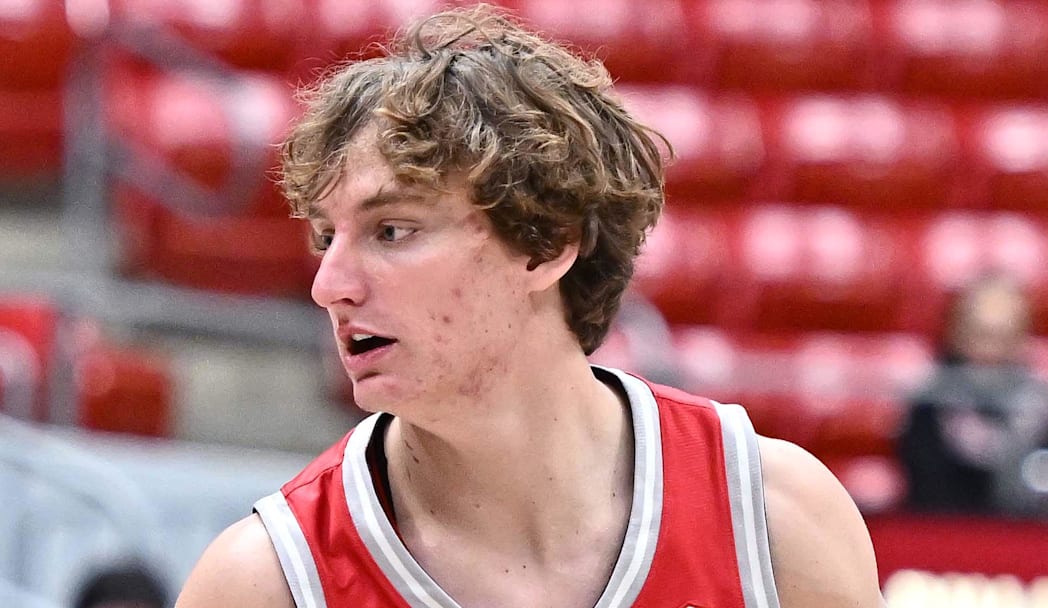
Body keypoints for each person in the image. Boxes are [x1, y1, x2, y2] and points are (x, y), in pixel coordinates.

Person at [176, 5, 885, 607]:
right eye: (328, 237)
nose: (329, 283)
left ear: (546, 245)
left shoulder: (774, 518)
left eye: (392, 230)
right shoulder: (265, 581)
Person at [899, 273, 1048, 519]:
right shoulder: (929, 404)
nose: (991, 350)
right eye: (982, 334)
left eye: (1004, 336)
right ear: (958, 333)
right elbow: (925, 494)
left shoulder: (1045, 408)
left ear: (1022, 338)